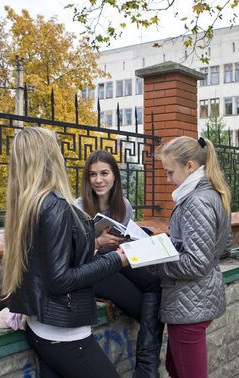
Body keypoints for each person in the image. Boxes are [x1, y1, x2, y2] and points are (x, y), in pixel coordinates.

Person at [3, 127, 128, 378]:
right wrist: (116, 260)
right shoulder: (54, 206)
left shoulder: (26, 204)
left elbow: (50, 259)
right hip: (65, 335)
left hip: (41, 328)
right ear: (49, 159)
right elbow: (60, 279)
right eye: (57, 150)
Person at [75, 150, 163, 378]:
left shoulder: (123, 205)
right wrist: (97, 241)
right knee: (150, 311)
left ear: (115, 176)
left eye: (104, 173)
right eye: (93, 175)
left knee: (156, 283)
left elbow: (127, 241)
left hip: (119, 260)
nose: (98, 180)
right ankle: (147, 371)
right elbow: (71, 255)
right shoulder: (77, 207)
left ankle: (146, 371)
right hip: (93, 270)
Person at [153, 136, 231, 378]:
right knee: (176, 369)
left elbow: (197, 262)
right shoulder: (208, 194)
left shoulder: (196, 201)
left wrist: (155, 262)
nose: (167, 180)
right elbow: (223, 245)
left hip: (189, 304)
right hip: (193, 300)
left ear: (189, 166)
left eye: (169, 172)